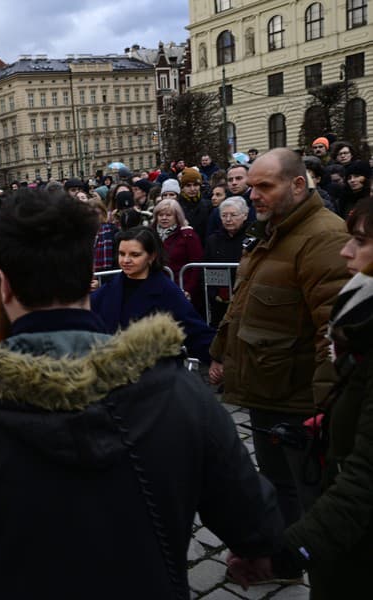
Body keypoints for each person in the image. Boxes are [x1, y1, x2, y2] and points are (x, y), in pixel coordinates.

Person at [0, 187, 282, 600]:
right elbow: (255, 523)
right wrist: (259, 554)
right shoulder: (177, 390)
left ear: (3, 287)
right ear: (89, 278)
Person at [208, 149, 350, 565]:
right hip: (267, 390)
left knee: (309, 493)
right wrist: (220, 355)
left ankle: (316, 568)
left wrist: (324, 409)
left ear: (299, 185)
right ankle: (283, 562)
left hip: (300, 401)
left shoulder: (324, 237)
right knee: (276, 485)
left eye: (264, 186)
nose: (253, 195)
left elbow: (334, 333)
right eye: (250, 186)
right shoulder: (273, 230)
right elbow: (243, 305)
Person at [227, 196, 373, 597]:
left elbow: (362, 484)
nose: (346, 250)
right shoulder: (359, 310)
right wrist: (330, 416)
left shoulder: (319, 242)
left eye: (360, 241)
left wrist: (286, 555)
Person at [91, 227, 215, 362]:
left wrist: (216, 358)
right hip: (114, 369)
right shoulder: (109, 288)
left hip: (153, 372)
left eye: (135, 255)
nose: (125, 260)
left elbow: (194, 330)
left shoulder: (166, 291)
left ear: (152, 256)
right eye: (122, 254)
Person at [204, 197, 250, 325]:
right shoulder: (212, 240)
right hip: (219, 300)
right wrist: (214, 294)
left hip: (245, 299)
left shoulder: (253, 239)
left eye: (233, 215)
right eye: (224, 215)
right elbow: (206, 269)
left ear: (245, 215)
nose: (228, 219)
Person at [151, 199, 203, 302]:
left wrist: (188, 289)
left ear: (177, 216)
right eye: (161, 215)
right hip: (155, 288)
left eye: (168, 215)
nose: (164, 218)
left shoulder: (188, 235)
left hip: (180, 288)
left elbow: (196, 265)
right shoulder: (151, 235)